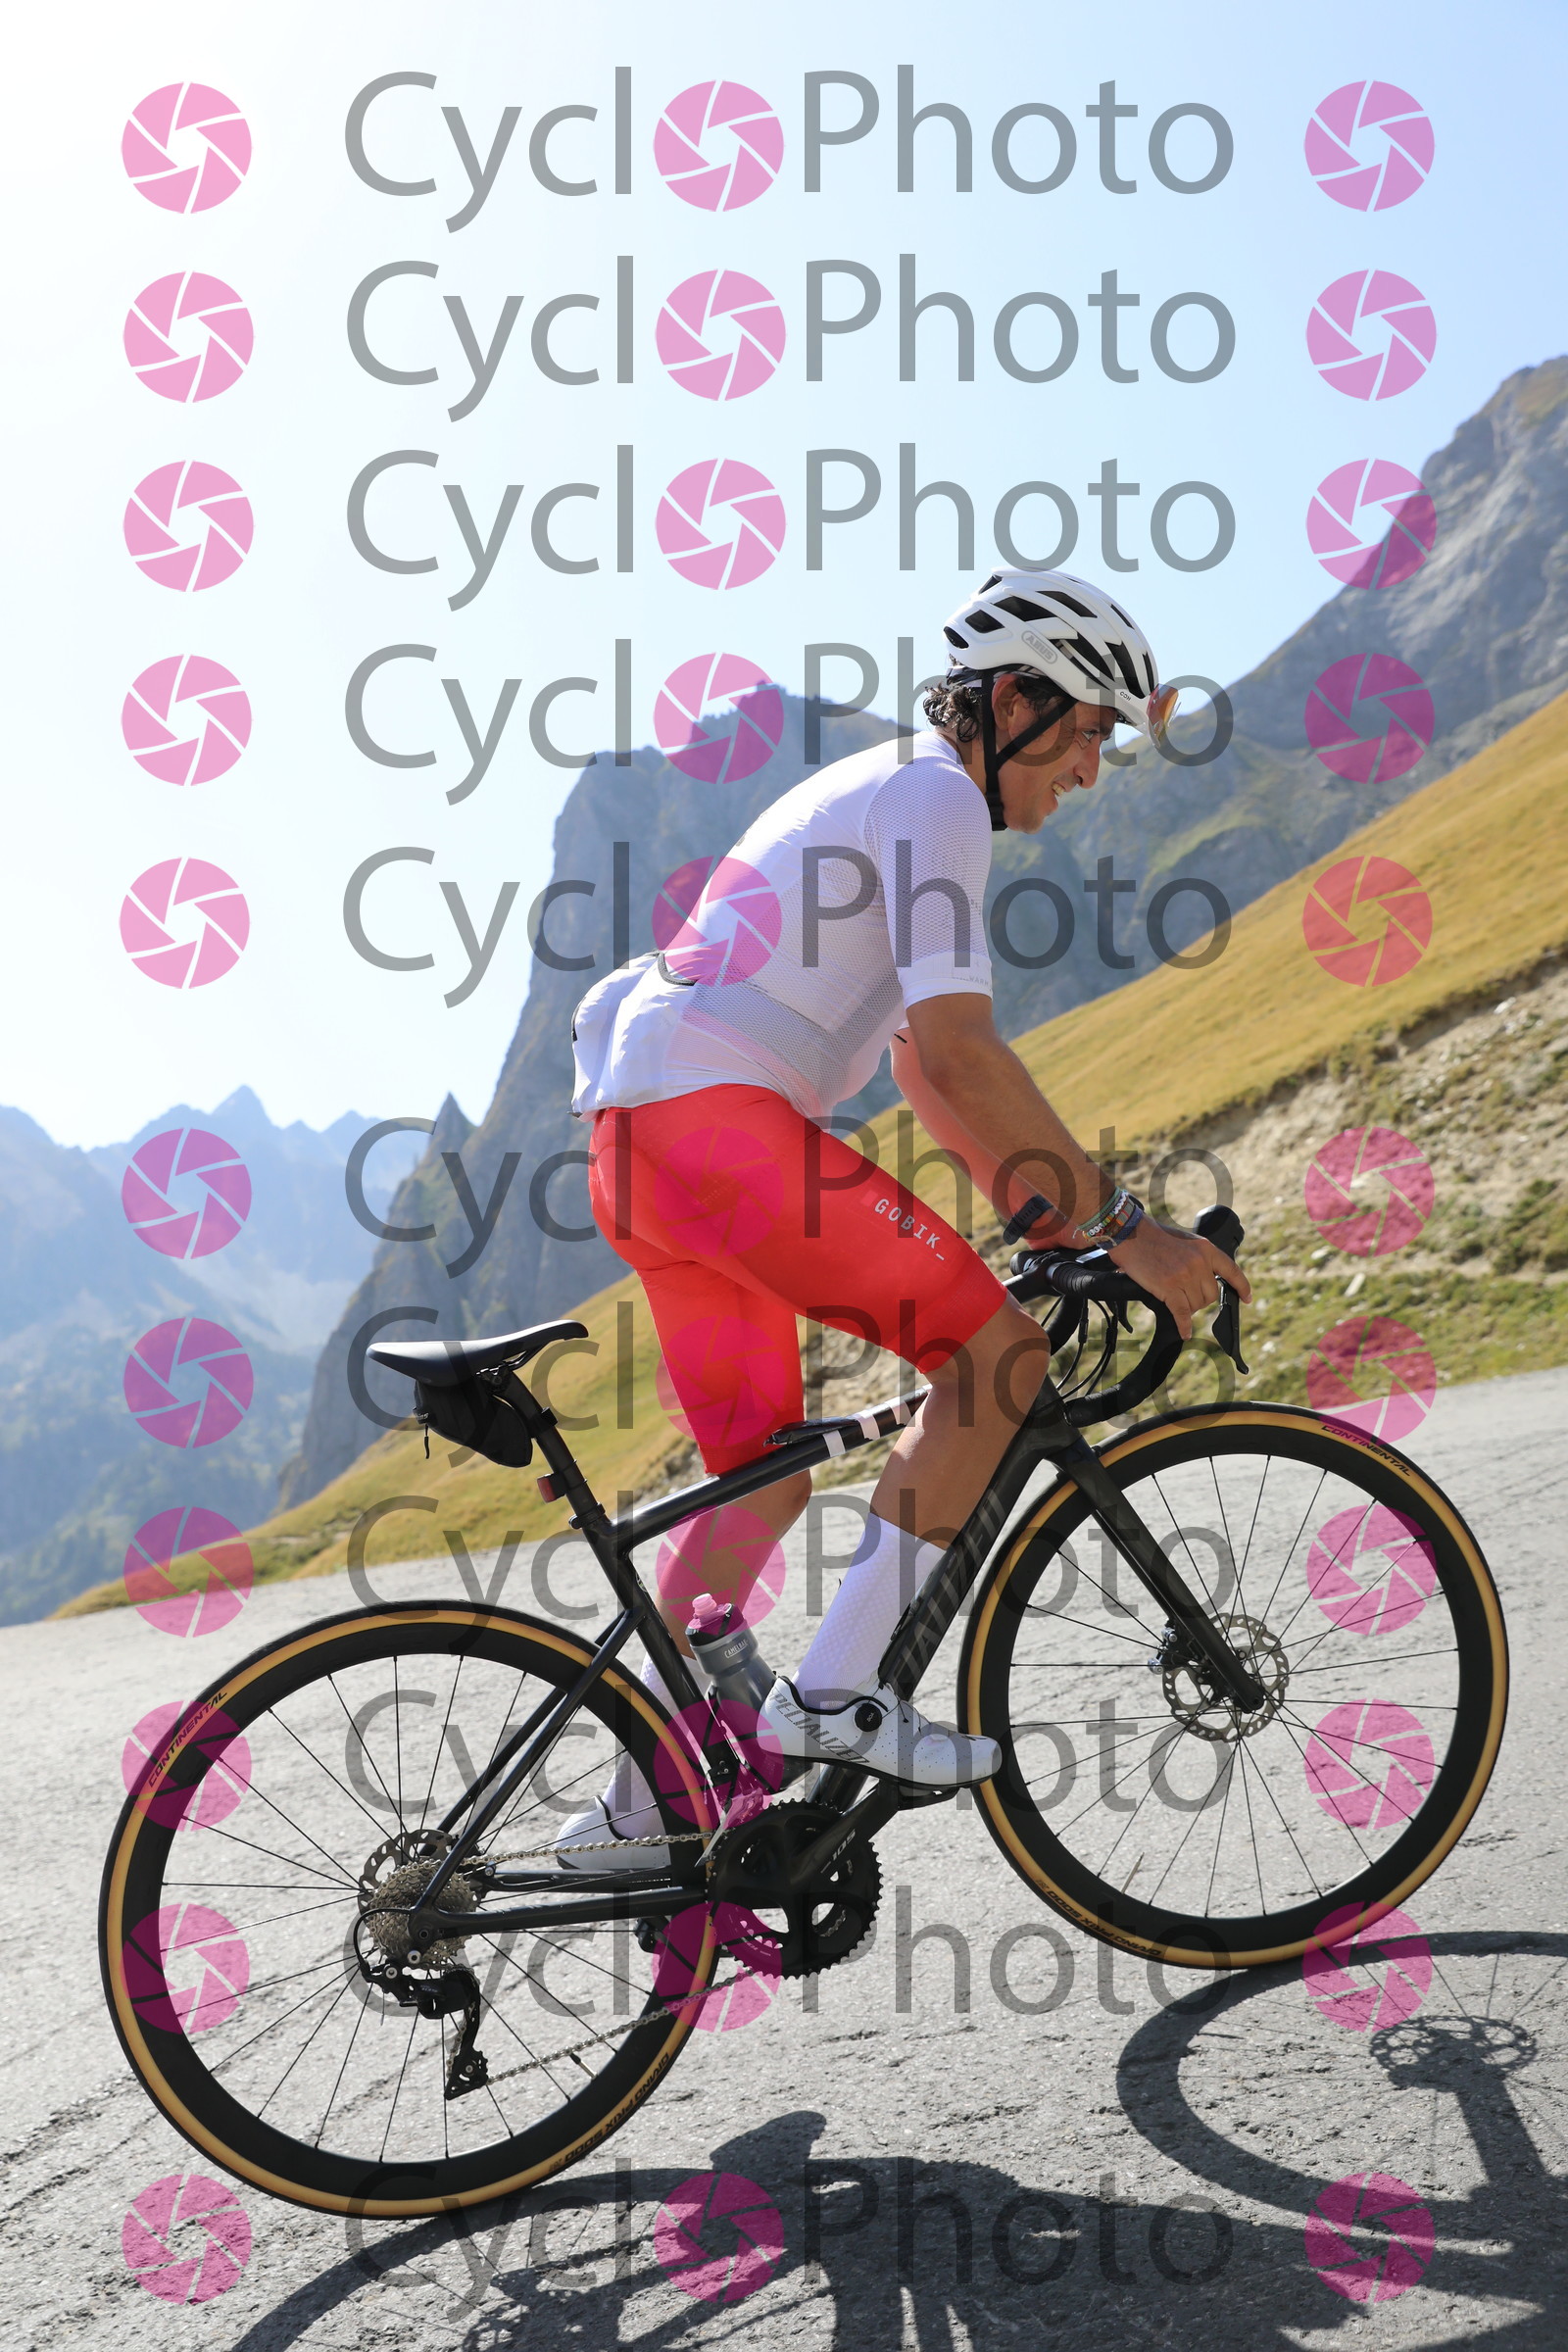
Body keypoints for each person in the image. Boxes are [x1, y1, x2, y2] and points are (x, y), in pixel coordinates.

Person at [556, 569, 1249, 1866]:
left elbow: (925, 1070)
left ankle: (637, 1815)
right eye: (1088, 729)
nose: (1091, 767)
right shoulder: (935, 797)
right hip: (716, 1130)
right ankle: (834, 1696)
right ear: (1016, 700)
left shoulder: (888, 790)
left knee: (762, 1479)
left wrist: (1048, 1221)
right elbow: (964, 1049)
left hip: (640, 1151)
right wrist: (1128, 1228)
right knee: (997, 1362)